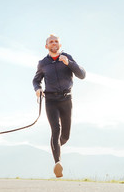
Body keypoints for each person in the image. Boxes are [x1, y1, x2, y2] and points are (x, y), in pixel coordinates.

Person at [32, 34, 86, 178]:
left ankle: (55, 147)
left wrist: (69, 63)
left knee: (65, 136)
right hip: (50, 100)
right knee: (55, 129)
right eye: (51, 42)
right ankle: (58, 163)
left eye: (56, 41)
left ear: (60, 45)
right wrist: (37, 89)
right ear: (46, 46)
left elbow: (82, 75)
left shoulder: (67, 57)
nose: (54, 43)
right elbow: (36, 80)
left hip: (66, 100)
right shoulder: (42, 63)